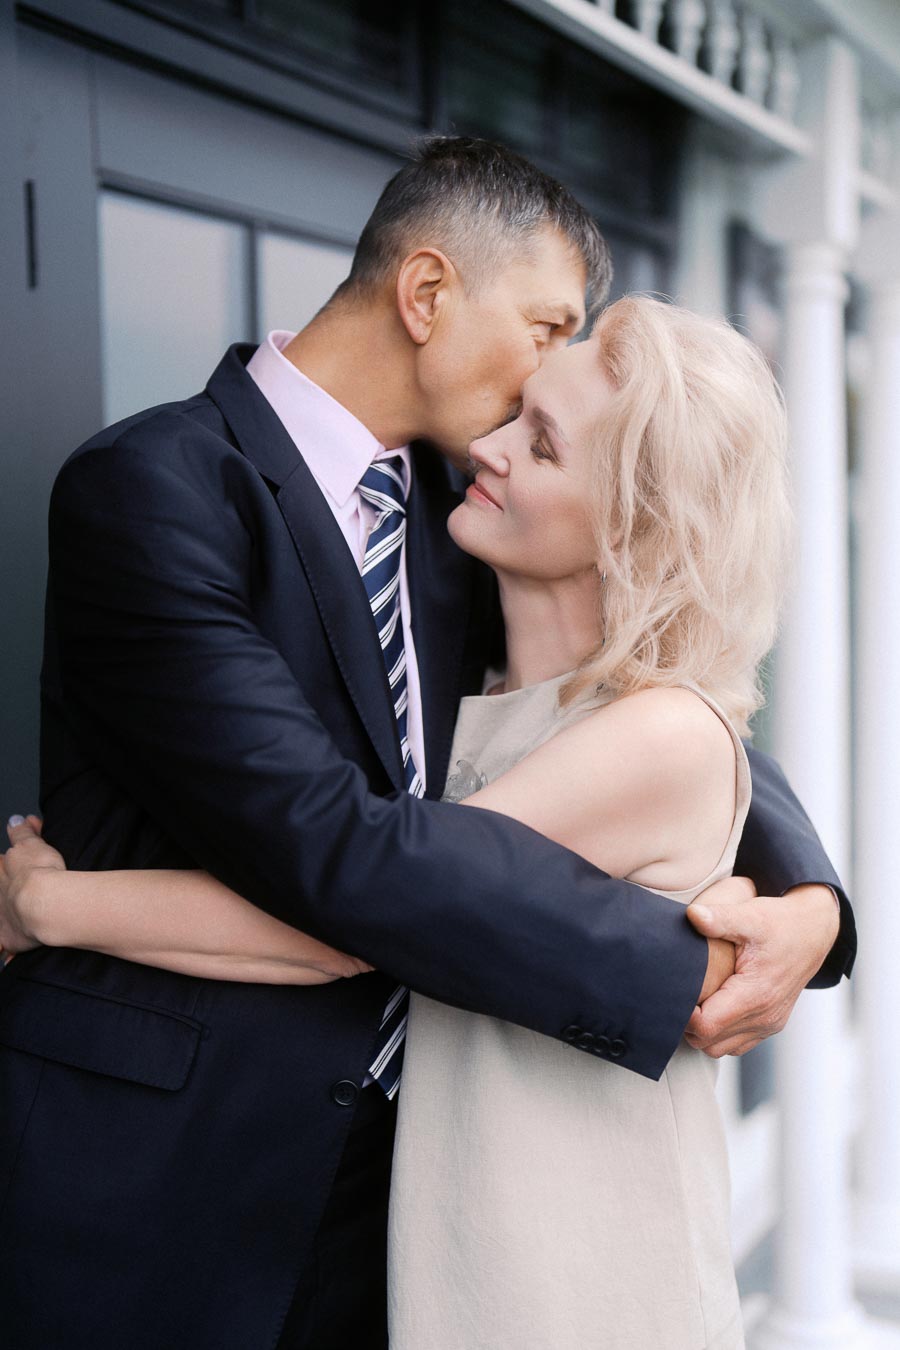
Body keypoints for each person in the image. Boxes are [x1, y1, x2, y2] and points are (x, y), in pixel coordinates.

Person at [0, 139, 853, 1350]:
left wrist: (812, 896)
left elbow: (642, 705)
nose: (548, 369)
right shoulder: (157, 488)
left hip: (415, 1207)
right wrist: (678, 961)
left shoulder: (460, 521)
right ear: (430, 294)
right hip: (170, 1181)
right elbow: (338, 853)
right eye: (548, 321)